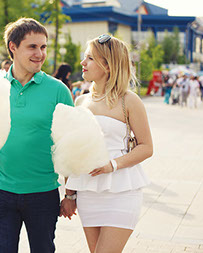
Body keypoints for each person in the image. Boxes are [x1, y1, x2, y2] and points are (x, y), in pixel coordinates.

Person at [0, 18, 73, 252]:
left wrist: (71, 194)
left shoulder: (58, 90)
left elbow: (69, 146)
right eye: (32, 47)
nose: (40, 53)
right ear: (13, 47)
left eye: (43, 47)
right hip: (1, 192)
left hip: (43, 194)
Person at [62, 35, 153, 253]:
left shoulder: (129, 100)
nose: (83, 63)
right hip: (87, 191)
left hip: (121, 190)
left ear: (108, 65)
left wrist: (111, 165)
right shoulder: (81, 101)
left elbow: (146, 147)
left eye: (90, 58)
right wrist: (70, 195)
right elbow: (73, 151)